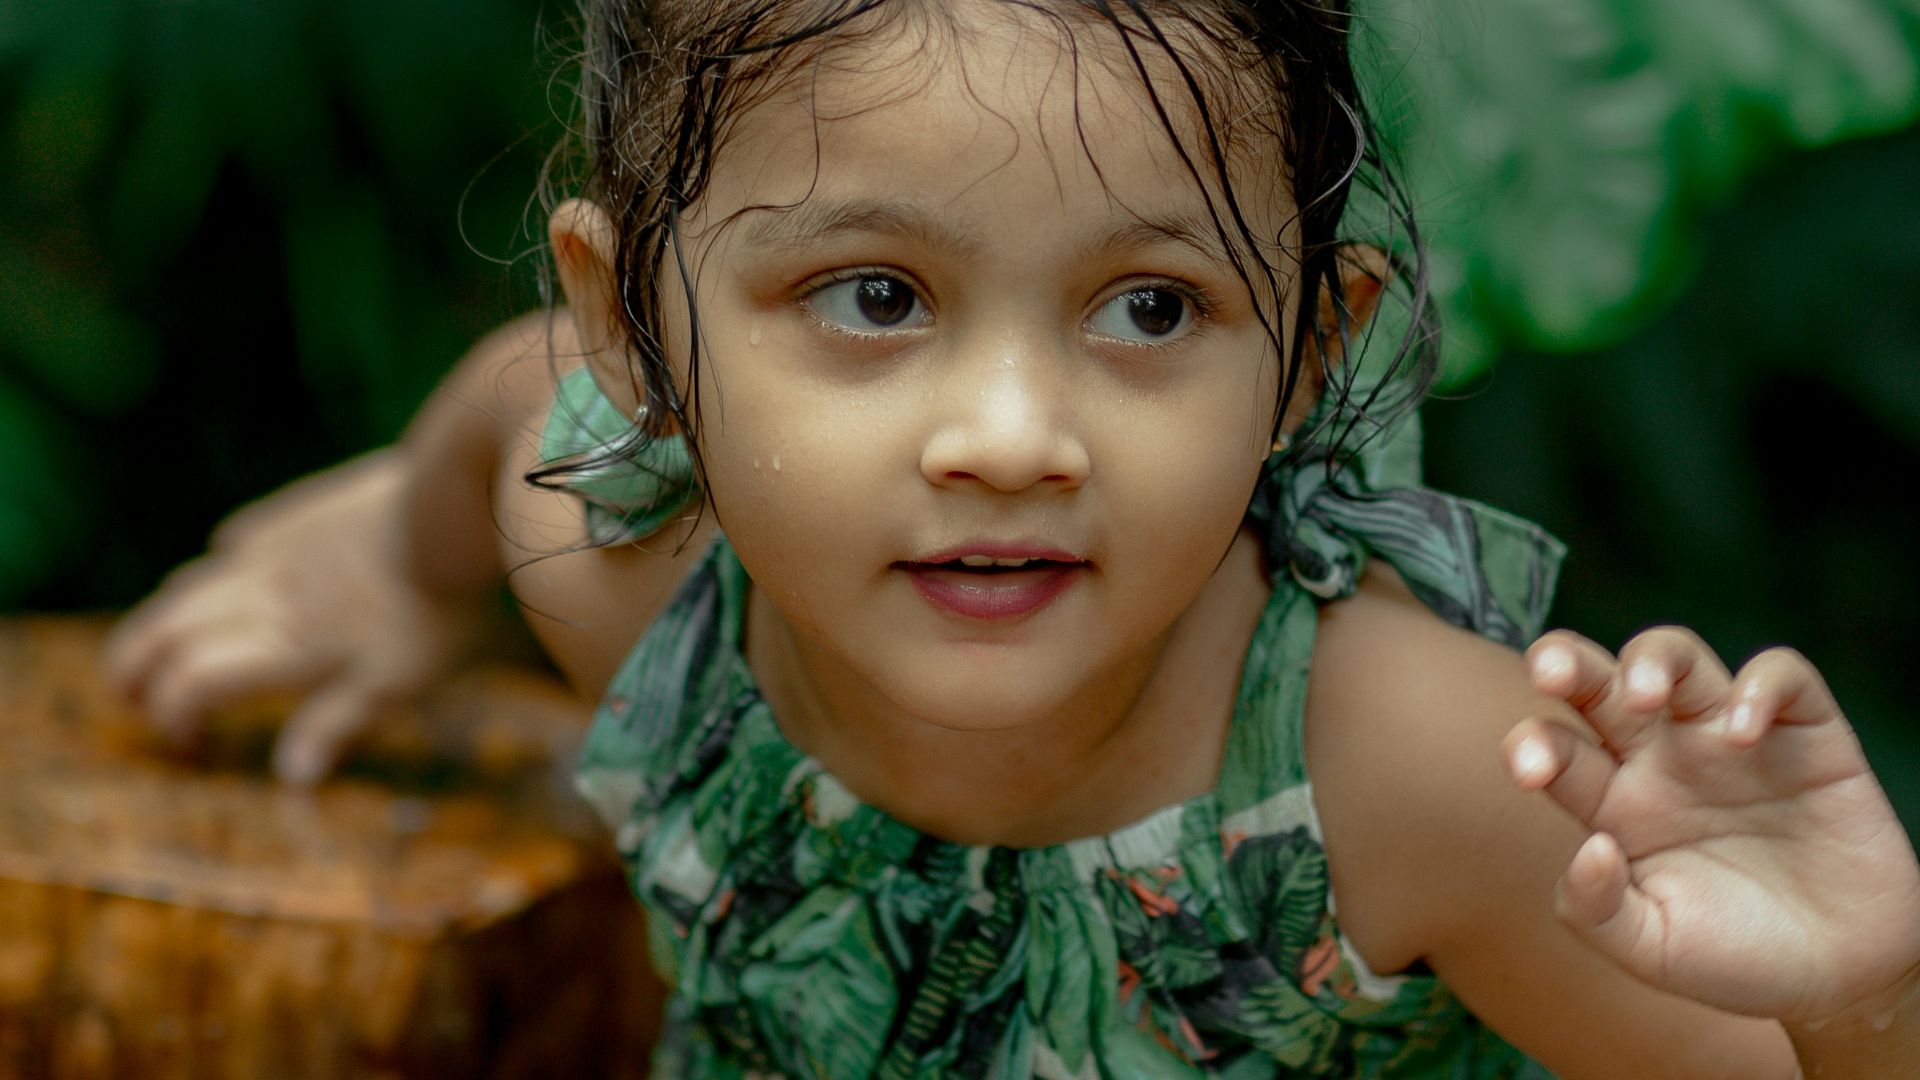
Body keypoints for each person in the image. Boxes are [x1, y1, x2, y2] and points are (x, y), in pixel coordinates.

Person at [103, 1, 1920, 1076]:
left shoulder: (1408, 777)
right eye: (876, 295)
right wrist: (395, 568)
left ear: (1311, 351)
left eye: (1150, 309)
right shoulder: (628, 576)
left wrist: (1866, 997)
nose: (1011, 438)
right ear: (642, 327)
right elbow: (516, 401)